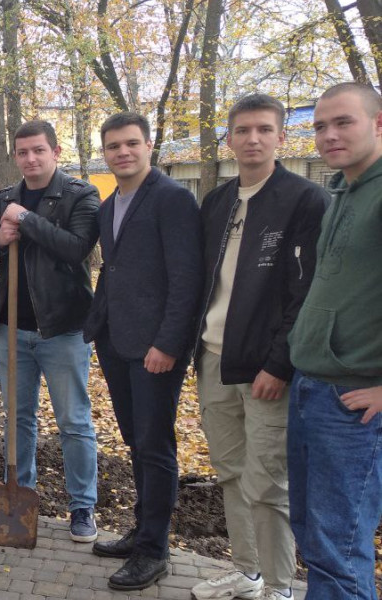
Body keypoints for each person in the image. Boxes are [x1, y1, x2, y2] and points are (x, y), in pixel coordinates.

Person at [191, 94, 328, 600]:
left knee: (269, 488)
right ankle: (246, 573)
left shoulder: (304, 200)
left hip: (266, 369)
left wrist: (280, 363)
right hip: (213, 359)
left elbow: (306, 293)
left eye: (264, 130)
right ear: (229, 139)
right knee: (230, 474)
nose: (253, 139)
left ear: (281, 138)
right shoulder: (218, 202)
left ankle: (279, 586)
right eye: (243, 130)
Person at [83, 112, 202, 590]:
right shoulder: (109, 204)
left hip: (155, 349)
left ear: (150, 145)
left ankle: (155, 549)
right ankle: (143, 529)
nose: (122, 152)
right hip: (116, 340)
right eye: (113, 146)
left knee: (155, 446)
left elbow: (187, 279)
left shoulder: (172, 200)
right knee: (136, 441)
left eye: (131, 143)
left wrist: (169, 344)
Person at [0, 120, 101, 543]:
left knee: (73, 421)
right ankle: (22, 495)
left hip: (63, 328)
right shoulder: (3, 198)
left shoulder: (80, 194)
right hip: (12, 330)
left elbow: (75, 248)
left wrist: (27, 219)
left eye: (38, 150)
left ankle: (82, 506)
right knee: (18, 419)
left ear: (55, 151)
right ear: (15, 156)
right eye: (23, 152)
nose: (30, 159)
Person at [287, 81, 382, 600]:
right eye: (320, 125)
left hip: (354, 400)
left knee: (339, 547)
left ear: (378, 122)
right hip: (311, 388)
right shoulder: (342, 192)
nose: (328, 134)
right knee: (313, 535)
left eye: (343, 122)